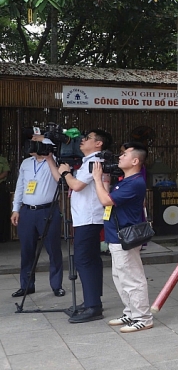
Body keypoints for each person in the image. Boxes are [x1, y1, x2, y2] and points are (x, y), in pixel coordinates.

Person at [91, 142, 152, 333]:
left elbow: (105, 200)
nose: (119, 157)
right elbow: (109, 199)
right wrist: (104, 180)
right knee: (120, 277)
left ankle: (143, 317)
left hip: (124, 237)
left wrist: (96, 179)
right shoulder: (125, 181)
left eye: (124, 155)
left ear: (135, 161)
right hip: (115, 236)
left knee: (132, 278)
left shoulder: (135, 183)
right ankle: (131, 312)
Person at [57, 129, 113, 323]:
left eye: (88, 138)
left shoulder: (93, 161)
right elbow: (67, 181)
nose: (82, 140)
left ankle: (93, 306)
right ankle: (92, 300)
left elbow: (77, 185)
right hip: (86, 218)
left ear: (99, 143)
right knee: (91, 259)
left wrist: (65, 172)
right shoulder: (88, 161)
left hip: (89, 218)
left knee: (83, 260)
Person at [11, 138, 64, 297]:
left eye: (35, 144)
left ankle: (56, 285)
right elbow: (20, 186)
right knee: (27, 250)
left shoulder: (54, 161)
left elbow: (60, 180)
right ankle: (26, 285)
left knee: (53, 249)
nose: (31, 147)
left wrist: (45, 147)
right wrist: (16, 209)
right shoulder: (26, 163)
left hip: (48, 210)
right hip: (27, 211)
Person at [0, 151, 10, 242]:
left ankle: (3, 236)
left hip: (1, 187)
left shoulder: (2, 159)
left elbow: (5, 172)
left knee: (2, 211)